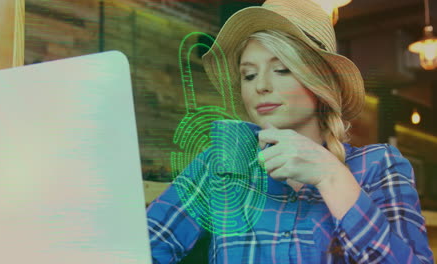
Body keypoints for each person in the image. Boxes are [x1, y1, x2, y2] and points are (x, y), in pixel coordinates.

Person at [146, 0, 435, 263]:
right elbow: (140, 248)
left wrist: (331, 177)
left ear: (320, 83)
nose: (260, 86)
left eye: (281, 69)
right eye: (248, 74)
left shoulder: (377, 166)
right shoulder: (220, 165)